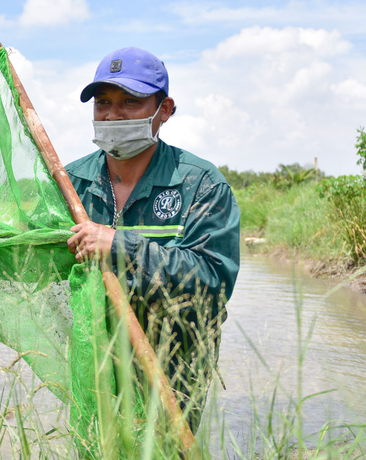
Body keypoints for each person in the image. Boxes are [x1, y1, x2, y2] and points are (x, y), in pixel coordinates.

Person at [66, 47, 240, 433]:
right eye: (103, 102)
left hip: (174, 368)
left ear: (164, 109)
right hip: (95, 366)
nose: (112, 115)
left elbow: (212, 283)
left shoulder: (200, 183)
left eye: (130, 101)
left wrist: (121, 247)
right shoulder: (69, 184)